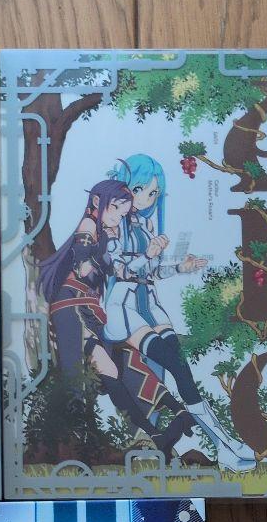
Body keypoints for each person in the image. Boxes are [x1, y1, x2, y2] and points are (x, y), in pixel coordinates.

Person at [104, 154, 253, 471]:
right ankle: (223, 445)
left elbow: (153, 271)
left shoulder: (146, 226)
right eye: (140, 189)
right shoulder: (113, 225)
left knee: (180, 368)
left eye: (153, 193)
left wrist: (181, 267)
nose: (146, 198)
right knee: (174, 364)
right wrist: (148, 254)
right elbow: (121, 270)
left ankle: (223, 445)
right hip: (125, 309)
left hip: (150, 305)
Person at [38, 180, 196, 457]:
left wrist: (152, 259)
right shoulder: (89, 226)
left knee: (125, 361)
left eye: (122, 214)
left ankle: (174, 416)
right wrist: (120, 255)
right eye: (115, 209)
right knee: (104, 368)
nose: (117, 218)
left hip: (90, 306)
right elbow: (85, 269)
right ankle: (149, 432)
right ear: (97, 202)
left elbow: (123, 271)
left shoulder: (108, 232)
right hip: (71, 305)